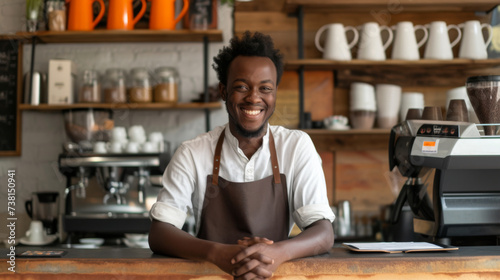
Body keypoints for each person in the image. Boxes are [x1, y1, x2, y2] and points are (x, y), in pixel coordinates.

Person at [149, 31, 335, 279]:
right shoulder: (192, 152)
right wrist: (218, 254)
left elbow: (323, 232)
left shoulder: (296, 147)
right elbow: (160, 232)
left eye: (265, 88)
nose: (254, 98)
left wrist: (277, 253)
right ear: (224, 91)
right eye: (242, 87)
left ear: (275, 93)